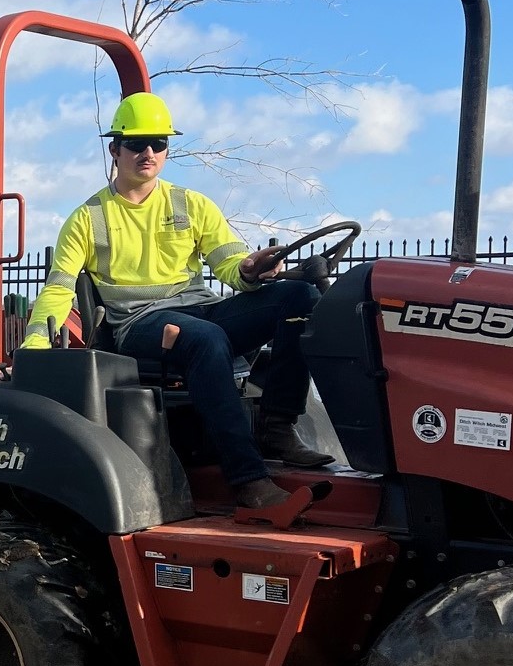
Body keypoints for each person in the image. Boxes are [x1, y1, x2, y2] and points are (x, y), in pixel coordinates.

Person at [21, 94, 331, 510]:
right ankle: (248, 478)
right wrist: (35, 346)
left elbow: (229, 264)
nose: (148, 152)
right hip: (138, 324)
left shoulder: (191, 205)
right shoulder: (87, 218)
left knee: (300, 297)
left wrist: (251, 269)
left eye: (159, 143)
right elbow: (58, 288)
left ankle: (277, 424)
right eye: (136, 143)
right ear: (115, 149)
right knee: (205, 339)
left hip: (199, 309)